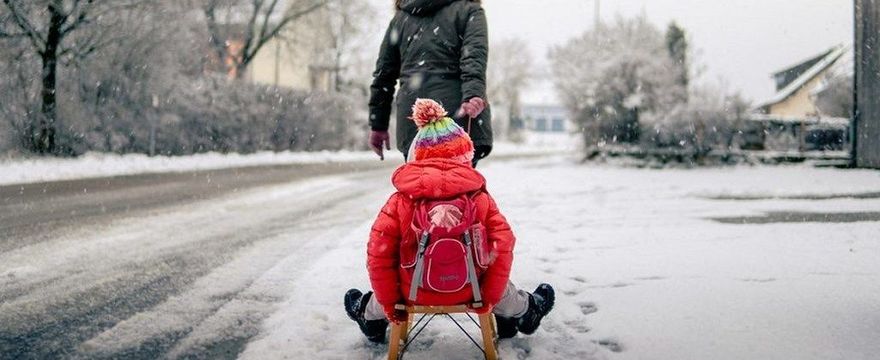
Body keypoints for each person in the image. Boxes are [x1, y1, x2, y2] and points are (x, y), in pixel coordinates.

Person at [345, 99, 554, 343]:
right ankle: (525, 310)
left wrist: (391, 305)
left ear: (417, 155)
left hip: (412, 292)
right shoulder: (479, 199)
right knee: (499, 285)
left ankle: (369, 317)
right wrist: (488, 297)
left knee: (390, 283)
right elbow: (503, 244)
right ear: (466, 156)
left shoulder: (400, 201)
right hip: (470, 290)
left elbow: (379, 255)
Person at [368, 0, 493, 167]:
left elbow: (384, 74)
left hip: (414, 119)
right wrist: (473, 94)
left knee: (420, 186)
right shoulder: (468, 11)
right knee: (459, 186)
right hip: (456, 117)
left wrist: (378, 124)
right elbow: (474, 57)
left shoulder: (401, 18)